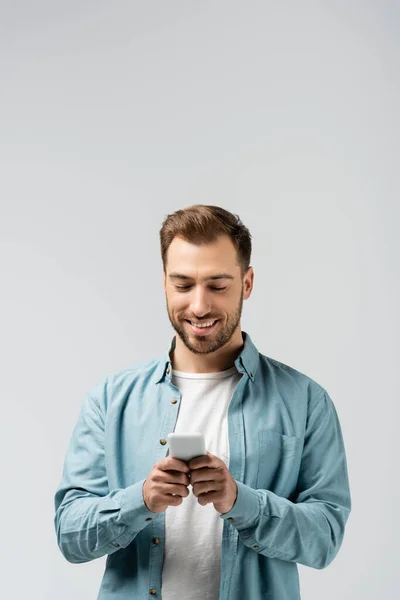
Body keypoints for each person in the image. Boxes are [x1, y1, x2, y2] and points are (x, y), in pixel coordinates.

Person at [54, 204, 351, 600]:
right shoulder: (110, 399)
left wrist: (240, 501)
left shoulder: (305, 401)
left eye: (217, 285)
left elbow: (325, 539)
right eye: (183, 285)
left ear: (247, 283)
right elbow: (70, 535)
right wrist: (139, 500)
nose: (199, 306)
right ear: (163, 283)